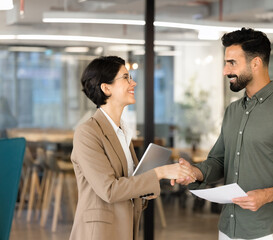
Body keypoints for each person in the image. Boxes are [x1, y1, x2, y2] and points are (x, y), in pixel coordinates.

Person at [177, 27, 273, 240]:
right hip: (228, 228)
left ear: (255, 63)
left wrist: (267, 195)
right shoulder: (233, 111)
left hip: (268, 231)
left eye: (232, 63)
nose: (225, 71)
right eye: (225, 63)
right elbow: (219, 161)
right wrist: (195, 172)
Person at [69, 56, 195, 240]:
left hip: (125, 226)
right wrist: (159, 173)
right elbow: (110, 190)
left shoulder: (122, 131)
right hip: (100, 233)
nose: (133, 83)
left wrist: (148, 184)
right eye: (126, 77)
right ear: (106, 88)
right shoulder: (87, 132)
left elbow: (129, 185)